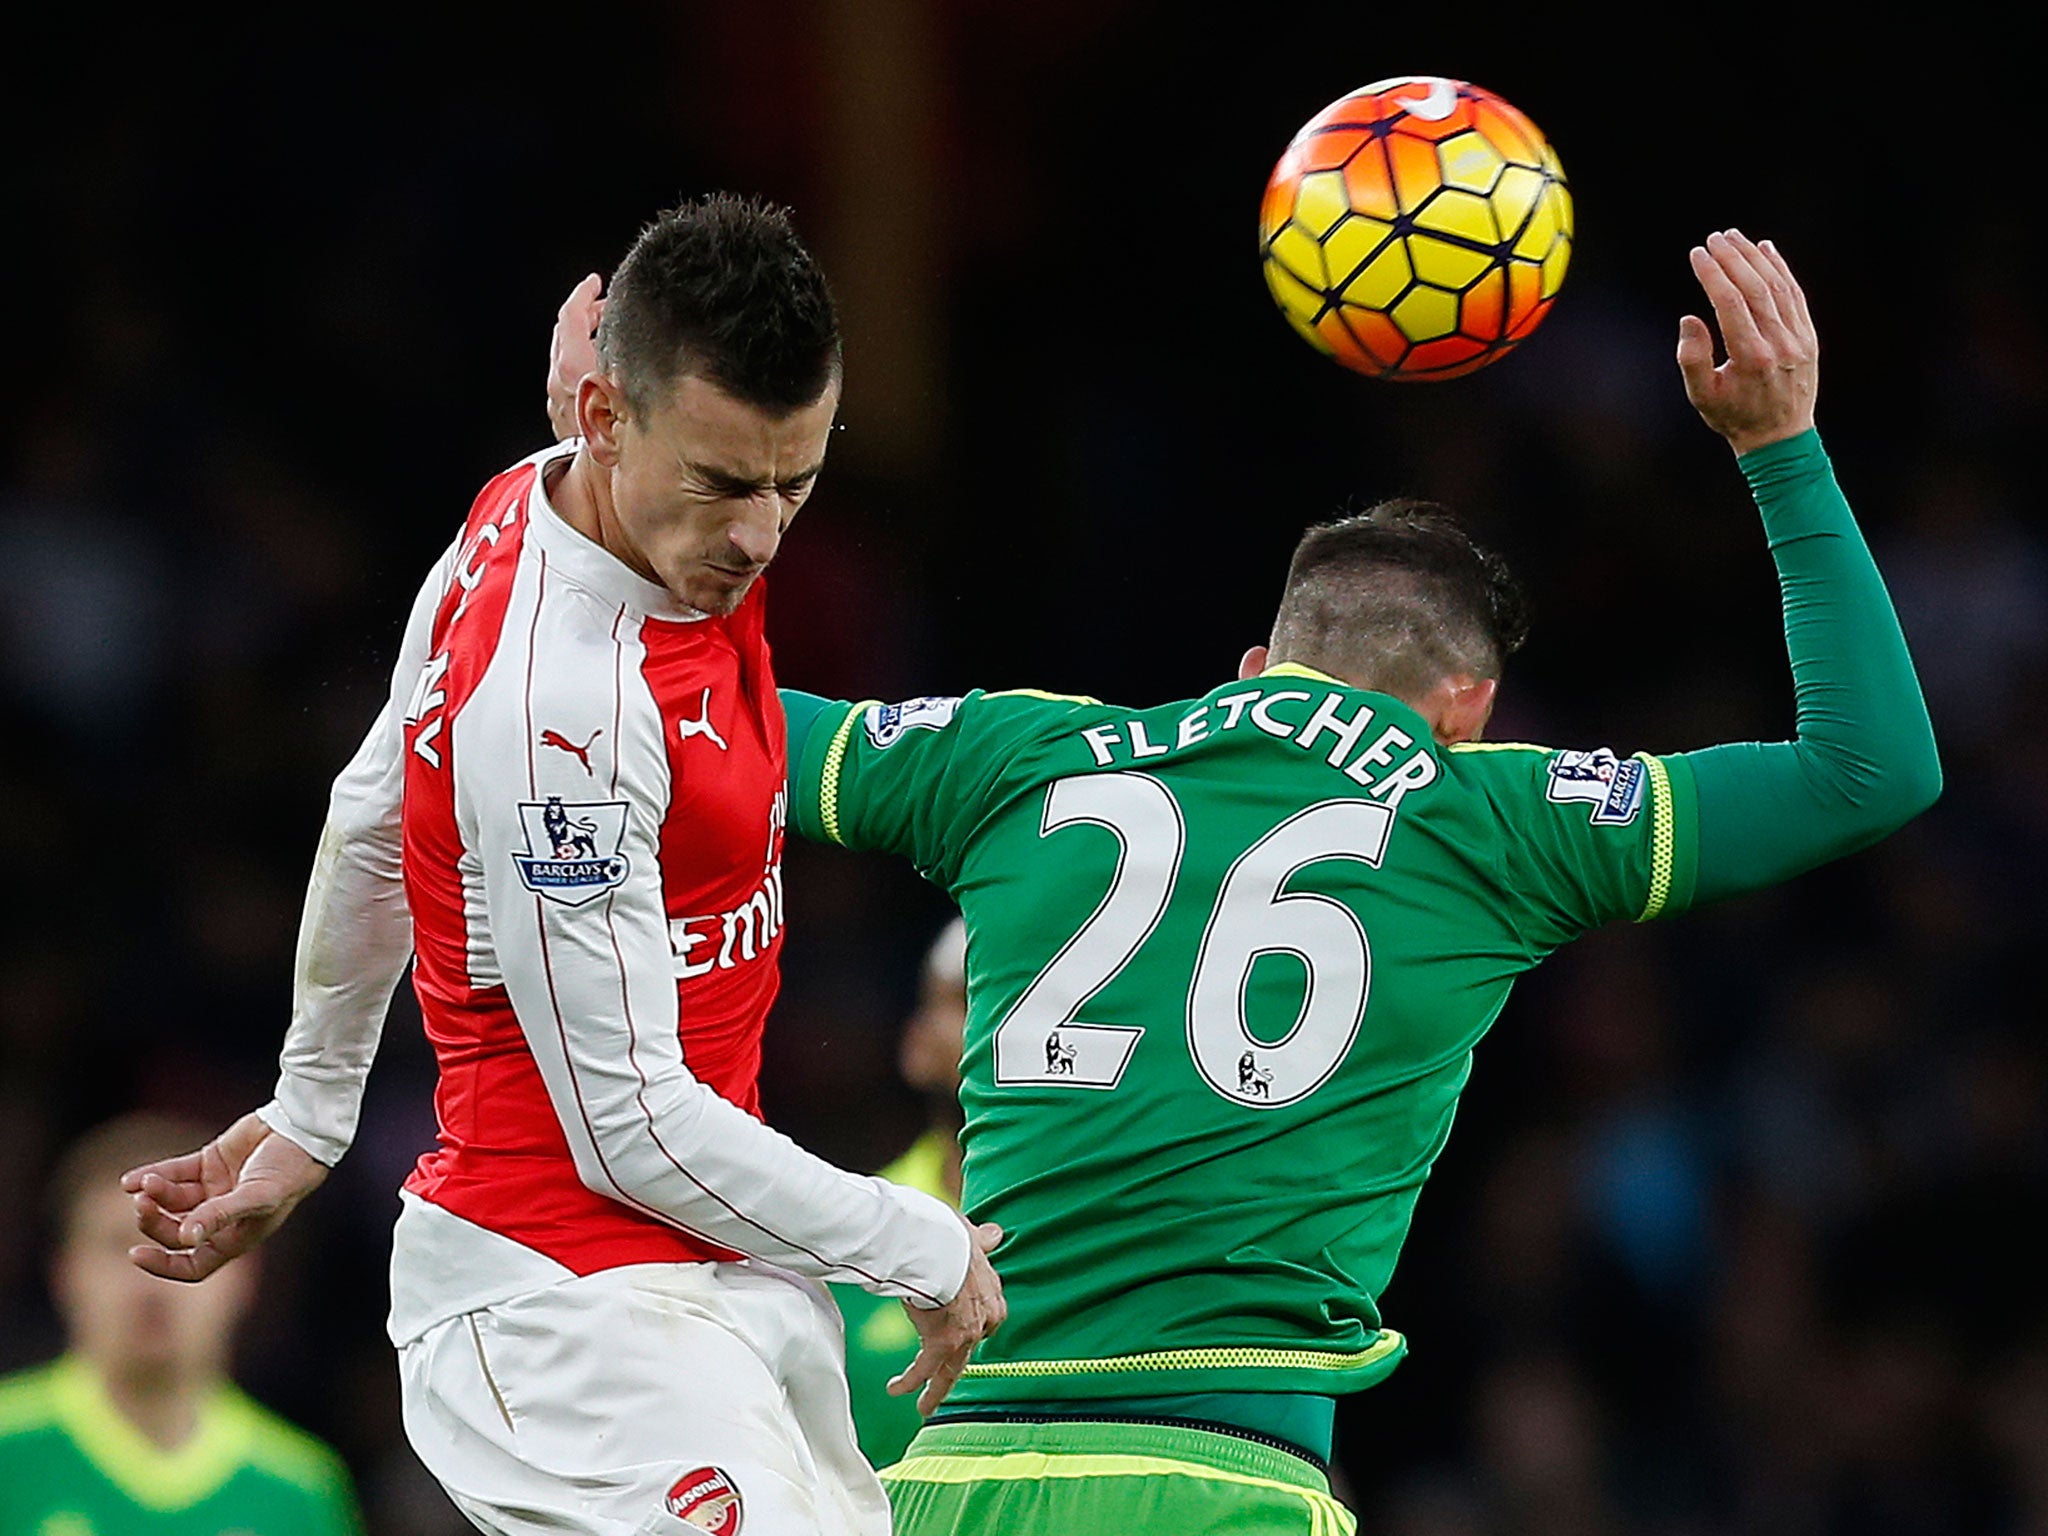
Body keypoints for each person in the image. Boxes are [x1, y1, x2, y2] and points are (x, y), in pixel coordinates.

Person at [770, 232, 1942, 1531]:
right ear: (1470, 710)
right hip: (1225, 1483)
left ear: (1258, 656)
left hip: (950, 1483)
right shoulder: (1482, 816)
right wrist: (1780, 446)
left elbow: (694, 718)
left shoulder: (1023, 755)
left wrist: (585, 492)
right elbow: (1869, 770)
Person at [123, 193, 1004, 1536]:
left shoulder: (598, 487)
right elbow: (628, 1126)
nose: (765, 534)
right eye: (725, 483)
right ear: (605, 423)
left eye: (799, 477)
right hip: (559, 1304)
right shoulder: (564, 714)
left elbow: (372, 805)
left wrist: (309, 1110)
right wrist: (918, 1242)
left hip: (722, 1275)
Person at [1, 1111, 363, 1535]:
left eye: (189, 1244)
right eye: (119, 1246)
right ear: (64, 1273)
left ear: (245, 1275)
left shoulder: (301, 1488)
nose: (153, 1283)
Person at [831, 915, 970, 1469]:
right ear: (917, 1041)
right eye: (970, 1001)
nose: (1004, 1033)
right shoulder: (839, 1229)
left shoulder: (1110, 1227)